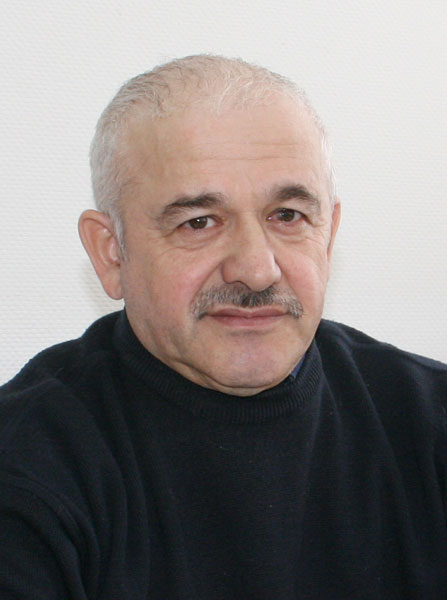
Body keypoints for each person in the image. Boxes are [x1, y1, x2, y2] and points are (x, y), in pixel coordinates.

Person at [0, 54, 446, 599]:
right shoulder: (26, 465)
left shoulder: (431, 423)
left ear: (328, 236)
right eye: (199, 222)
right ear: (111, 253)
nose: (257, 269)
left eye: (287, 216)